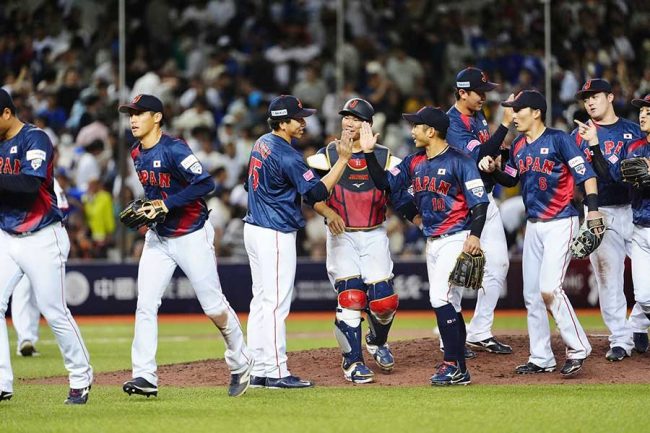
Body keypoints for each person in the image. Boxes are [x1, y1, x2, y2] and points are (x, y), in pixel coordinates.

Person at [118, 94, 253, 398]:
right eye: (131, 114)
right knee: (145, 304)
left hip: (192, 234)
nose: (133, 119)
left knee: (213, 307)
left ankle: (240, 360)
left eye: (140, 113)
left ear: (157, 117)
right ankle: (145, 375)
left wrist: (165, 204)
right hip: (159, 238)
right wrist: (150, 210)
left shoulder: (174, 148)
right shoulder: (136, 152)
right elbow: (156, 194)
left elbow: (205, 183)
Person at [362, 106, 490, 386]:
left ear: (431, 131)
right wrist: (369, 153)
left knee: (439, 299)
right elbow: (384, 184)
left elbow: (480, 202)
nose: (412, 130)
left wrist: (475, 235)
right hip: (433, 239)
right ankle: (460, 367)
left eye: (416, 126)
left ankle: (452, 364)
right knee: (450, 302)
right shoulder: (414, 161)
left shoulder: (460, 161)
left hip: (456, 236)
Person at [488, 90, 603, 376]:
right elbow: (511, 178)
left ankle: (578, 347)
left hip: (561, 221)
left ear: (536, 112)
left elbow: (586, 174)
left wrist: (593, 211)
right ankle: (541, 357)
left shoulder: (559, 139)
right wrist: (494, 170)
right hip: (534, 225)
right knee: (531, 295)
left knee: (550, 289)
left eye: (518, 109)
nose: (513, 115)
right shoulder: (518, 146)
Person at [244, 95, 352, 389]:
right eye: (298, 119)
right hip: (274, 232)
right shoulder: (287, 155)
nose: (304, 123)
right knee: (276, 304)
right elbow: (316, 194)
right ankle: (277, 372)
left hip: (254, 228)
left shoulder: (261, 143)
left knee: (261, 301)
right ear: (282, 122)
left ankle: (258, 369)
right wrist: (343, 160)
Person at [0, 88, 93, 404]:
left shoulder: (35, 138)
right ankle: (2, 382)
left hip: (42, 235)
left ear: (7, 113)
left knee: (54, 311)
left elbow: (29, 184)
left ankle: (80, 377)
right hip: (6, 235)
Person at [306, 98, 408, 383]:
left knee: (384, 301)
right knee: (351, 297)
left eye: (356, 118)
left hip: (375, 232)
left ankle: (377, 341)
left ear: (369, 125)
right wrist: (328, 212)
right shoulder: (326, 155)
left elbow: (396, 191)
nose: (349, 122)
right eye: (346, 117)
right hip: (342, 235)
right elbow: (311, 195)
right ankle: (352, 362)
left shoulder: (386, 156)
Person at [570, 78, 642, 362]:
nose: (589, 101)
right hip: (600, 212)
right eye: (586, 97)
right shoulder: (577, 136)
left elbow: (623, 175)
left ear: (610, 97)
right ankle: (621, 340)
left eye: (595, 95)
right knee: (607, 279)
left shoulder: (633, 131)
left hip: (636, 210)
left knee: (646, 283)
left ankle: (638, 324)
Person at [445, 67, 514, 357]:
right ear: (462, 93)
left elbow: (486, 154)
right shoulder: (451, 123)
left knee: (499, 264)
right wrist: (505, 125)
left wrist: (495, 161)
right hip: (460, 203)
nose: (484, 96)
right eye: (479, 92)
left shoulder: (477, 115)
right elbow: (480, 152)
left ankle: (480, 331)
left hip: (485, 197)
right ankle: (449, 337)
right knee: (457, 273)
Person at [11, 175, 70, 357]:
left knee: (38, 295)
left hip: (41, 238)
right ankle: (25, 338)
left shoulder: (47, 180)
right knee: (24, 291)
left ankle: (27, 338)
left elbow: (63, 209)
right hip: (23, 240)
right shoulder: (17, 179)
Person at [621, 94, 650, 355]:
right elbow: (620, 177)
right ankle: (639, 324)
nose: (642, 115)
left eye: (648, 112)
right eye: (641, 111)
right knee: (643, 296)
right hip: (639, 227)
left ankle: (638, 325)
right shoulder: (634, 148)